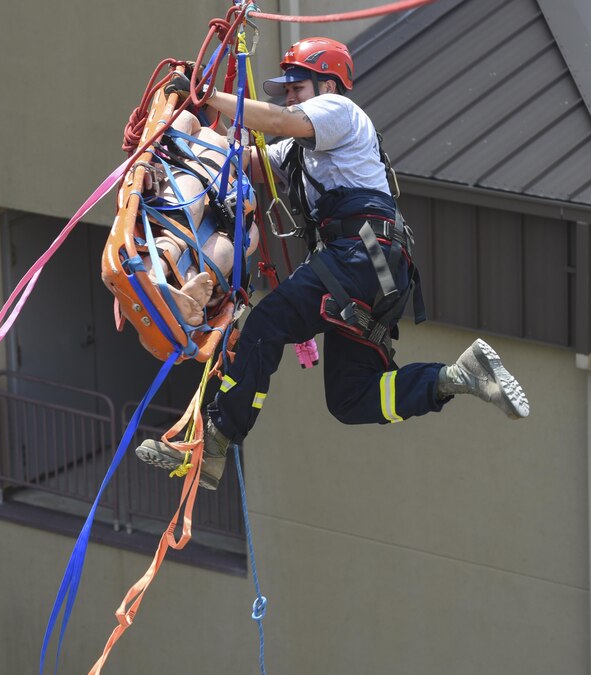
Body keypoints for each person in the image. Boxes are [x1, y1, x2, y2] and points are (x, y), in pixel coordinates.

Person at [136, 38, 530, 489]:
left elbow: (281, 121)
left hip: (363, 253)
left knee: (267, 322)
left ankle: (218, 440)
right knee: (352, 398)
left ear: (327, 84)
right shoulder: (301, 153)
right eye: (286, 89)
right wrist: (184, 134)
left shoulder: (340, 112)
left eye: (297, 87)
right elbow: (245, 162)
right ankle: (457, 377)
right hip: (374, 269)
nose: (289, 96)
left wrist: (205, 94)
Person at [136, 109, 260, 326]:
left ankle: (190, 286)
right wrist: (153, 156)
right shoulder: (205, 133)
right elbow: (182, 120)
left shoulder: (241, 173)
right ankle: (154, 274)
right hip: (191, 181)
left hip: (219, 218)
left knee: (246, 237)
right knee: (179, 232)